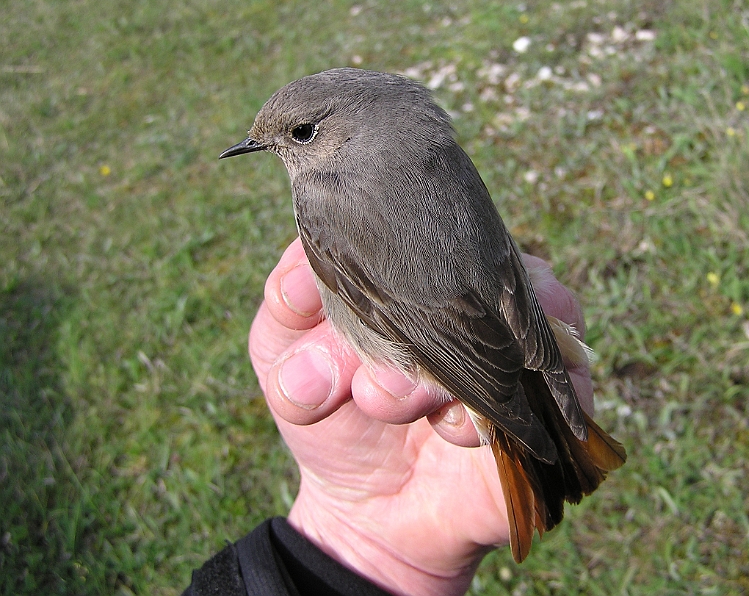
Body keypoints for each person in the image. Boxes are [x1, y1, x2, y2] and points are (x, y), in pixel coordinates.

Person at [183, 238, 595, 596]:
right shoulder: (428, 150)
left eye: (302, 137)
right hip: (484, 340)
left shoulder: (327, 192)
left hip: (461, 351)